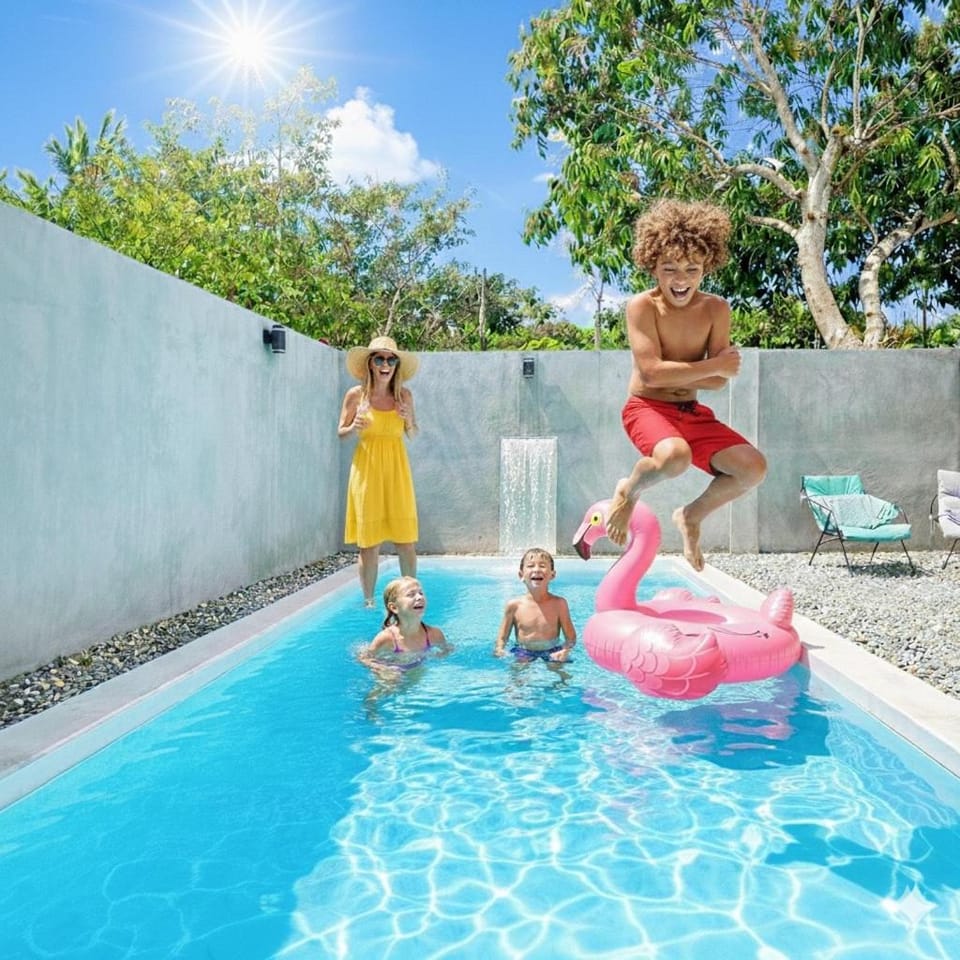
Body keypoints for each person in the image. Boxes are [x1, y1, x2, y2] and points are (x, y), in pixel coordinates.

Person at [605, 199, 767, 571]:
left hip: (691, 413)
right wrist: (713, 366)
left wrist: (700, 372)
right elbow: (651, 374)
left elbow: (719, 382)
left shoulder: (716, 309)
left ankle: (691, 516)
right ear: (653, 267)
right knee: (674, 457)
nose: (681, 280)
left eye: (692, 269)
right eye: (670, 269)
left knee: (753, 468)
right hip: (645, 408)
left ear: (706, 267)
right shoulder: (642, 307)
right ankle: (628, 489)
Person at [338, 335, 420, 607]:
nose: (386, 365)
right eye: (380, 359)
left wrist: (408, 420)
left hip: (397, 470)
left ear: (396, 365)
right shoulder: (355, 395)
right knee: (369, 544)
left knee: (405, 541)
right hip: (367, 470)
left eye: (391, 359)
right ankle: (369, 602)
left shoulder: (404, 396)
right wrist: (354, 427)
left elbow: (413, 433)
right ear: (370, 363)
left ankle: (411, 598)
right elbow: (341, 433)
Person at [493, 548, 577, 662]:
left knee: (558, 667)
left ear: (552, 575)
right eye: (530, 566)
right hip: (524, 651)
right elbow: (502, 638)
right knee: (520, 667)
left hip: (553, 650)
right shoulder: (514, 606)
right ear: (521, 575)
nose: (536, 569)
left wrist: (565, 650)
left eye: (542, 566)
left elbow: (571, 638)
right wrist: (500, 649)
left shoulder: (559, 604)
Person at [358, 576, 449, 673]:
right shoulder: (387, 638)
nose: (420, 597)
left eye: (421, 593)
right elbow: (365, 658)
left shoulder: (434, 634)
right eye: (411, 594)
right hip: (394, 671)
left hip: (419, 669)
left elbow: (446, 652)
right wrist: (384, 669)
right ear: (394, 608)